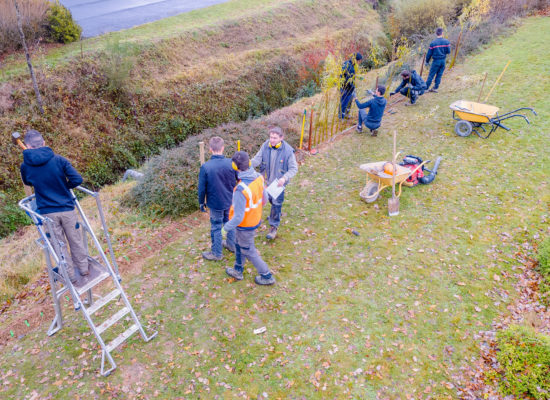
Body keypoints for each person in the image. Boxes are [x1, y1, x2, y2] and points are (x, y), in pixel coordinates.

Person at [20, 129, 88, 284]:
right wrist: (65, 186)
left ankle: (70, 275)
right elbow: (77, 179)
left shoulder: (25, 166)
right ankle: (84, 269)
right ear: (44, 143)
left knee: (59, 244)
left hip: (48, 213)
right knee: (75, 240)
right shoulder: (59, 160)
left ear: (28, 147)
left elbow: (28, 182)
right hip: (67, 208)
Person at [223, 151, 275, 285]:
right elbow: (265, 200)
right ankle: (238, 270)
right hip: (254, 219)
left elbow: (238, 217)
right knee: (239, 244)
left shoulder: (241, 189)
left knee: (249, 250)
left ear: (235, 167)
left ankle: (266, 275)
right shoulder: (258, 177)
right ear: (249, 163)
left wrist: (225, 228)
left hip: (245, 225)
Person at [251, 126, 298, 240]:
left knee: (276, 203)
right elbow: (257, 159)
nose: (272, 140)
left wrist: (284, 178)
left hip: (278, 183)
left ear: (281, 138)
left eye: (275, 138)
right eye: (271, 137)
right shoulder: (265, 145)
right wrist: (245, 165)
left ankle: (273, 227)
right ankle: (274, 214)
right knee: (269, 199)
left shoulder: (287, 151)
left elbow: (293, 168)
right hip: (266, 181)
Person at [198, 136, 237, 261]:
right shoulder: (231, 163)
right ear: (223, 148)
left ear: (210, 149)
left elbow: (202, 188)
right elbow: (237, 179)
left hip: (215, 202)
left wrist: (201, 202)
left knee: (216, 226)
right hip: (230, 199)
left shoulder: (206, 167)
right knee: (229, 223)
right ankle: (231, 245)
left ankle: (216, 253)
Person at [425, 27, 451, 93]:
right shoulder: (446, 42)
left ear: (436, 33)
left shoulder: (433, 43)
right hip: (443, 61)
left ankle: (426, 88)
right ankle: (435, 88)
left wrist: (427, 61)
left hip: (436, 61)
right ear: (442, 33)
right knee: (439, 75)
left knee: (431, 75)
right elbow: (448, 51)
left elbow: (429, 54)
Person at [340, 52, 363, 119]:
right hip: (346, 88)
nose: (359, 63)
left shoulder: (346, 63)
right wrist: (353, 88)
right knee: (344, 103)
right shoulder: (350, 68)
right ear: (356, 60)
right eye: (359, 61)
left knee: (347, 102)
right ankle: (342, 117)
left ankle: (345, 115)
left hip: (343, 86)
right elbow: (348, 80)